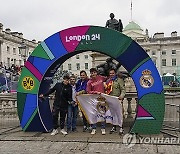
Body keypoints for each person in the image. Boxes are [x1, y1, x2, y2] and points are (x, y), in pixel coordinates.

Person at [86, 68, 107, 135]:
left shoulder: (101, 78)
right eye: (92, 73)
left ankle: (103, 128)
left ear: (96, 73)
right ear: (90, 74)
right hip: (94, 99)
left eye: (94, 72)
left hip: (102, 99)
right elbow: (88, 91)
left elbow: (108, 78)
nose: (93, 74)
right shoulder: (89, 82)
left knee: (102, 113)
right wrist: (95, 92)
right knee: (94, 114)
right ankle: (94, 128)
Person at [105, 69, 125, 135]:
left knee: (119, 114)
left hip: (117, 99)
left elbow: (123, 89)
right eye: (110, 73)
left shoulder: (119, 80)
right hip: (111, 99)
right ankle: (114, 127)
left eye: (112, 73)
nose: (111, 74)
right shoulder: (108, 81)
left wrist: (121, 96)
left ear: (115, 73)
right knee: (113, 114)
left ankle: (121, 128)